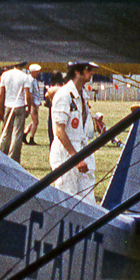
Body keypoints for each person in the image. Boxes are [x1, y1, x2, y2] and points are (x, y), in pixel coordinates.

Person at [48, 62, 103, 204]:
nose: (92, 73)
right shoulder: (64, 94)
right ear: (77, 72)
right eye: (89, 70)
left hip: (83, 155)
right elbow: (59, 130)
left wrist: (95, 122)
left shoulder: (83, 96)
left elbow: (82, 127)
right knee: (68, 202)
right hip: (67, 157)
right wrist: (76, 158)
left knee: (88, 204)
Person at [0, 63, 33, 162]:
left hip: (8, 105)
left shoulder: (5, 74)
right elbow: (28, 95)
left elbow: (1, 93)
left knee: (6, 132)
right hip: (19, 105)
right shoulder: (25, 77)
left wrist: (0, 109)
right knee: (17, 133)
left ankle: (1, 154)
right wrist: (28, 108)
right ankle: (13, 157)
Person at [23, 63, 42, 144]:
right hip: (33, 103)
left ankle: (24, 135)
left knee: (35, 121)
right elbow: (30, 94)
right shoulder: (30, 80)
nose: (38, 73)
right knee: (35, 121)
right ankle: (31, 138)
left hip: (35, 103)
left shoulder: (34, 80)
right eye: (37, 71)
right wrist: (33, 106)